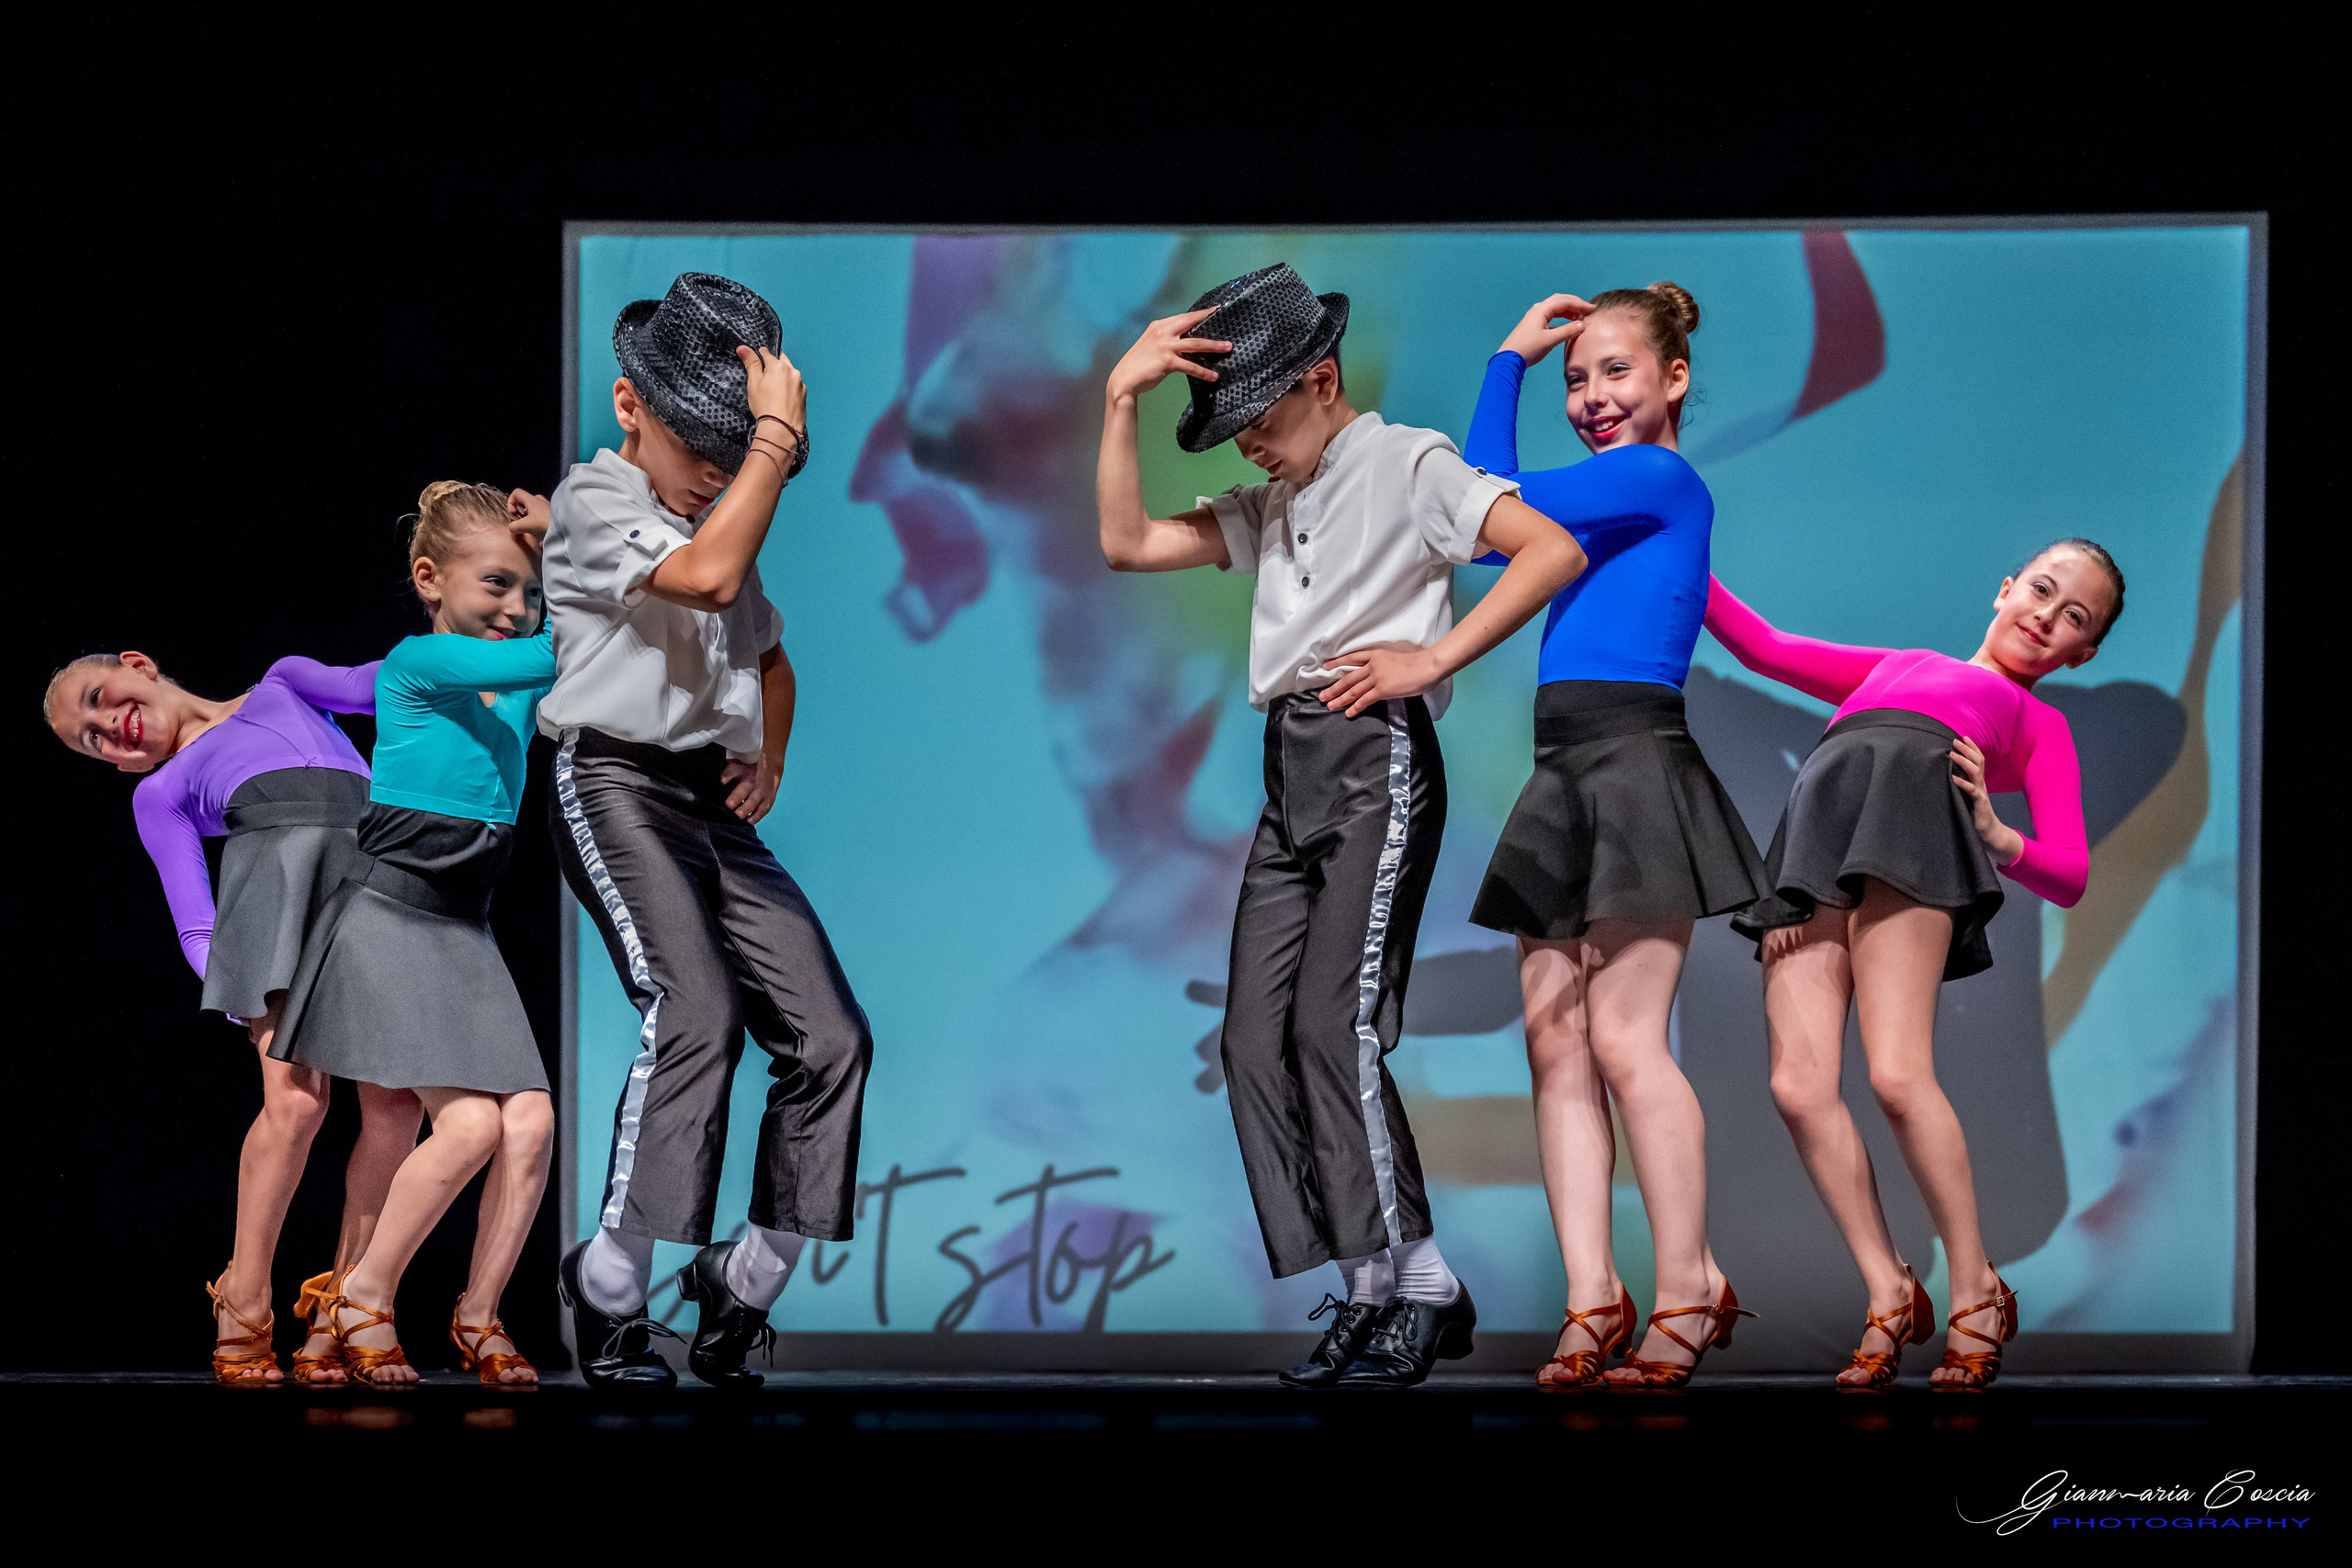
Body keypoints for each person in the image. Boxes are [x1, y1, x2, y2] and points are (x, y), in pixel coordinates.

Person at [1097, 264, 1586, 1389]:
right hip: (1291, 772)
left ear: (1320, 379)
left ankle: (1414, 1282)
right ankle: (1377, 1283)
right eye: (1228, 430)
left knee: (1335, 1027)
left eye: (1257, 418)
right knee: (1251, 1040)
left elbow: (1551, 550)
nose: (1244, 447)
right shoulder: (1268, 507)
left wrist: (1435, 657)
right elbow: (1126, 543)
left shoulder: (1405, 461)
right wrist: (1121, 401)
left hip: (1377, 761)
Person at [543, 272, 872, 1390]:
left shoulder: (718, 509)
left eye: (736, 448)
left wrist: (766, 755)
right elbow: (709, 572)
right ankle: (608, 1289)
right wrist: (777, 441)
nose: (723, 470)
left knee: (832, 1039)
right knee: (696, 1013)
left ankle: (742, 1283)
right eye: (704, 444)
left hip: (700, 799)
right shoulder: (594, 501)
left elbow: (769, 653)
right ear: (632, 408)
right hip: (613, 786)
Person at [1704, 539, 2121, 1389]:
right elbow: (1762, 647)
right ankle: (1889, 1285)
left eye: (2073, 616)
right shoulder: (1901, 663)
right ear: (2006, 587)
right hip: (1818, 847)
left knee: (1898, 1077)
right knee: (1797, 1085)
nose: (2046, 615)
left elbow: (2072, 873)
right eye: (2042, 590)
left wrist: (2004, 841)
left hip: (1917, 843)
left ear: (2084, 651)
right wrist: (1668, 538)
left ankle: (1974, 1288)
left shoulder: (2041, 722)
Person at [1462, 287, 1770, 1390]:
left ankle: (1687, 1285)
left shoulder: (1654, 478)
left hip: (1636, 764)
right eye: (1572, 381)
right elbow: (1490, 541)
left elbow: (1477, 499)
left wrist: (1507, 363)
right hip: (1564, 769)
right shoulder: (1597, 504)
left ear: (1674, 379)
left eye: (1614, 374)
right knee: (1555, 1046)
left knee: (1628, 1041)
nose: (1589, 398)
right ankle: (1592, 1295)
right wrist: (1513, 364)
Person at [42, 645, 423, 1384]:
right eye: (91, 739)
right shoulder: (161, 791)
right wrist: (239, 986)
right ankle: (243, 1299)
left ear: (138, 664)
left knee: (398, 1104)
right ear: (119, 765)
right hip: (278, 919)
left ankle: (342, 1309)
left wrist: (469, 643)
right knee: (296, 1104)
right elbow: (195, 922)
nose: (106, 725)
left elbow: (379, 684)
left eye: (96, 696)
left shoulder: (284, 682)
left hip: (375, 888)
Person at [272, 481, 559, 1386]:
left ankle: (477, 1318)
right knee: (469, 1123)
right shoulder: (422, 659)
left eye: (527, 592)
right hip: (387, 915)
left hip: (461, 928)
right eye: (496, 586)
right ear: (430, 579)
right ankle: (363, 1298)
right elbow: (564, 653)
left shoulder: (496, 671)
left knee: (532, 1122)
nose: (515, 610)